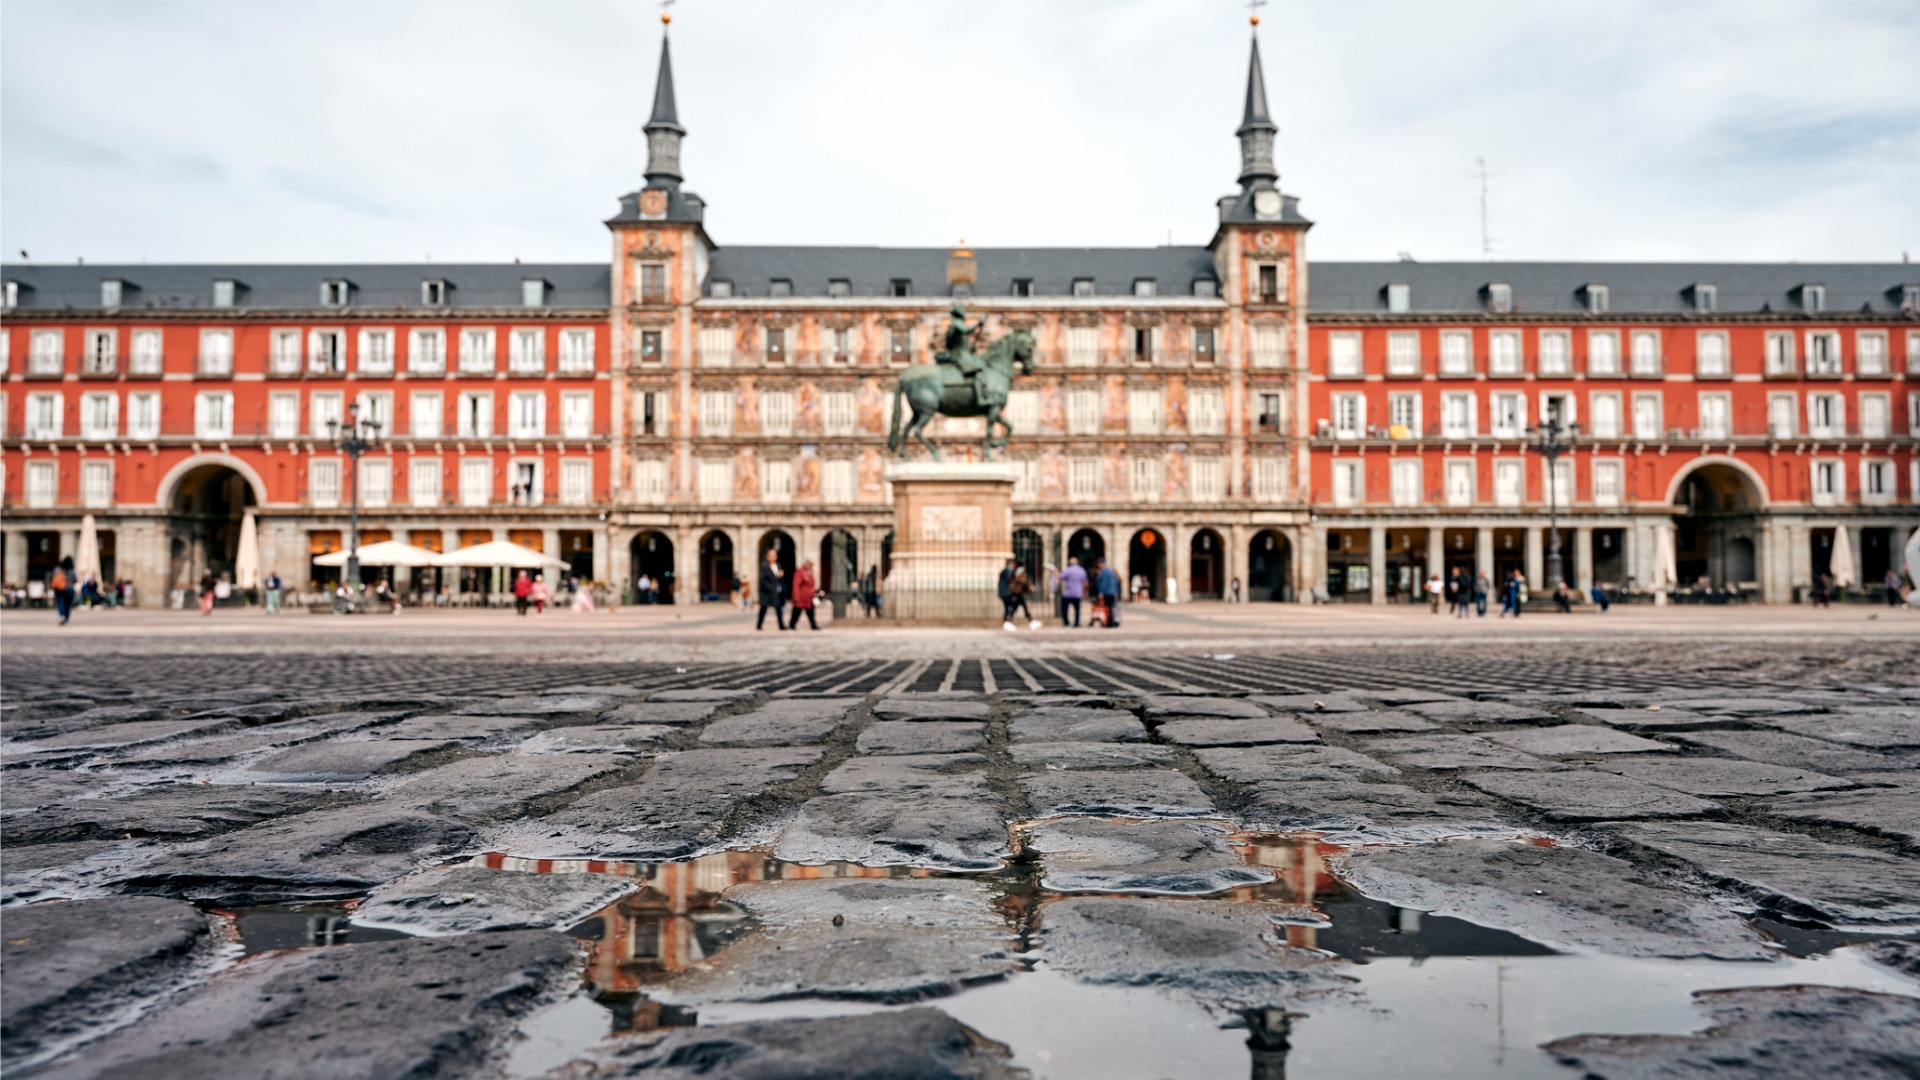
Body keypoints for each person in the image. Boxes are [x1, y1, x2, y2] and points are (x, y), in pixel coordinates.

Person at [756, 548, 786, 630]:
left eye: (774, 555)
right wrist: (770, 588)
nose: (773, 557)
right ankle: (759, 624)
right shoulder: (765, 566)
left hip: (777, 592)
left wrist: (781, 575)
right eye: (771, 555)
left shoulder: (778, 565)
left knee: (779, 608)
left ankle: (781, 625)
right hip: (767, 592)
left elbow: (778, 578)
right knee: (763, 609)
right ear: (767, 557)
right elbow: (762, 580)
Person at [789, 559, 820, 630]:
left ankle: (813, 624)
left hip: (809, 596)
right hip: (801, 596)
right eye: (810, 564)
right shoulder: (800, 572)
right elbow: (796, 585)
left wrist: (814, 594)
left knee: (810, 611)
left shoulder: (810, 572)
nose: (811, 566)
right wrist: (796, 596)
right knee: (797, 611)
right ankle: (792, 624)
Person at [1094, 557, 1121, 628]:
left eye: (1099, 564)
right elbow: (1116, 582)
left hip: (1107, 592)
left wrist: (1101, 592)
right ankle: (1113, 621)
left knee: (1108, 608)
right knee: (1112, 607)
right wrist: (1116, 591)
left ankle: (1110, 622)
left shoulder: (1103, 572)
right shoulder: (1111, 572)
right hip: (1112, 592)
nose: (1098, 565)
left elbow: (1103, 583)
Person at [1059, 559, 1088, 627]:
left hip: (1068, 593)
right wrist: (1085, 592)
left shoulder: (1068, 570)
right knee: (1077, 610)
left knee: (1064, 609)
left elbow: (1060, 577)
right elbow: (1085, 582)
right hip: (1078, 593)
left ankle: (1066, 622)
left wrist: (1055, 571)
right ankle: (1076, 623)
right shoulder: (1082, 570)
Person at [50, 557, 77, 626]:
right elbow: (75, 580)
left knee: (60, 602)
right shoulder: (72, 571)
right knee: (67, 604)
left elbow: (53, 577)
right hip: (69, 589)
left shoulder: (57, 569)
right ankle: (66, 617)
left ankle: (62, 616)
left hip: (59, 589)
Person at [998, 559, 1018, 630]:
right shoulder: (1007, 571)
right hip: (1006, 593)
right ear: (1011, 564)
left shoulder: (1004, 571)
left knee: (1006, 607)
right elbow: (1010, 581)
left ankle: (1005, 621)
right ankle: (1008, 619)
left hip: (1003, 593)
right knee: (1014, 603)